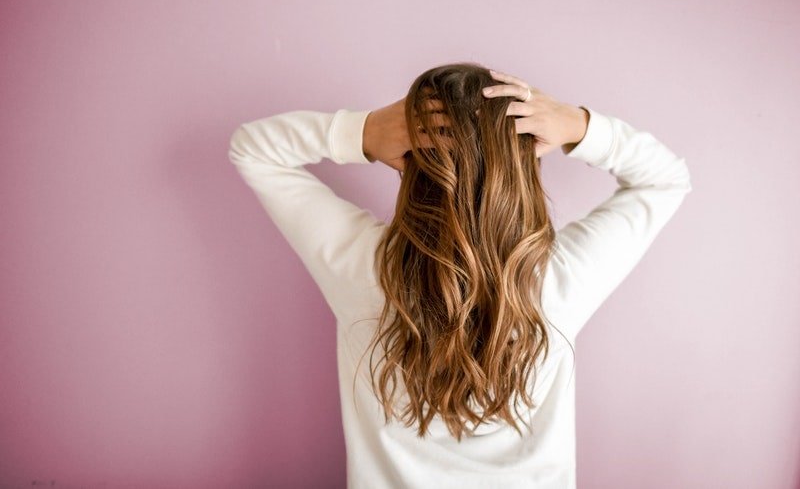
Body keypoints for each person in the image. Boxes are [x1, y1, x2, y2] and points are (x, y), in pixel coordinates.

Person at [227, 62, 692, 489]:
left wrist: (363, 132)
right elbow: (666, 178)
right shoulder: (558, 281)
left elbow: (252, 149)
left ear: (409, 159)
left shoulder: (365, 269)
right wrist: (578, 126)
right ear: (525, 165)